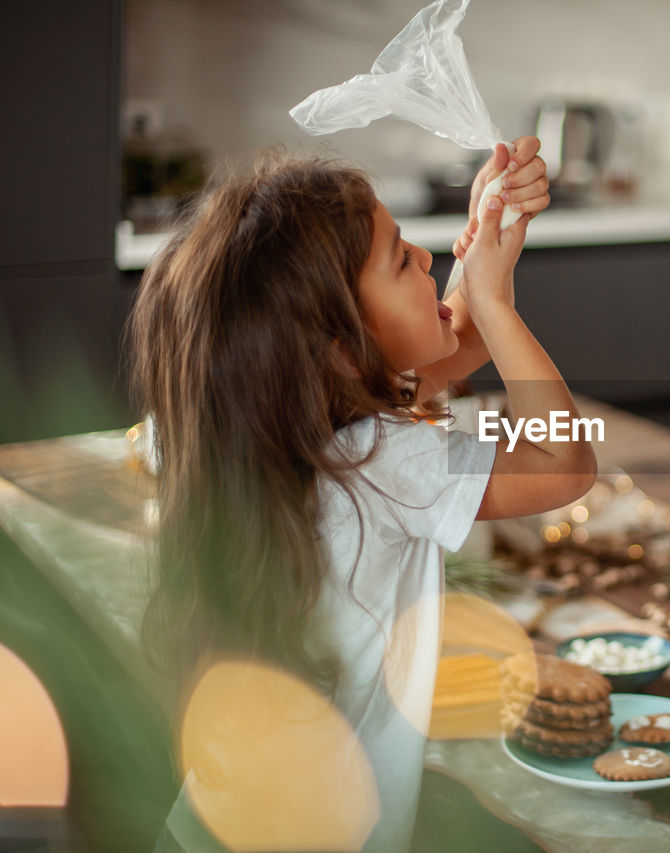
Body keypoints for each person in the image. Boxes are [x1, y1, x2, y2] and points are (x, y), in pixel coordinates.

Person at [129, 138, 595, 852]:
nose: (429, 263)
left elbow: (436, 350)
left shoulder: (249, 428)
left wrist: (480, 252)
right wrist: (496, 301)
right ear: (340, 350)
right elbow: (563, 463)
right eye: (401, 259)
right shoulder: (380, 459)